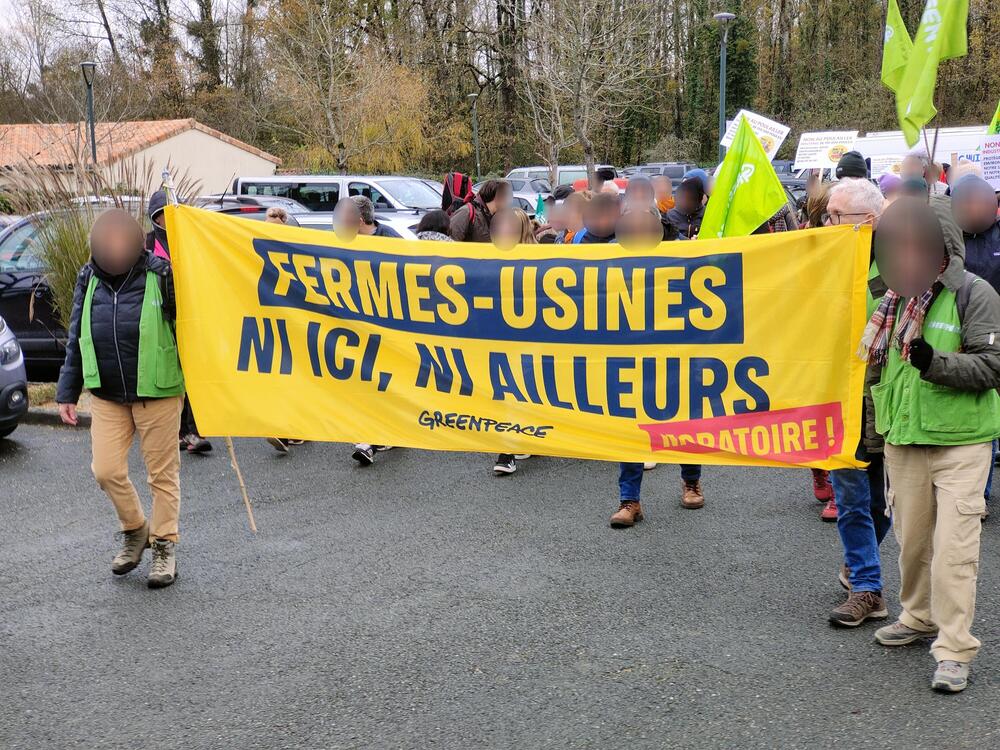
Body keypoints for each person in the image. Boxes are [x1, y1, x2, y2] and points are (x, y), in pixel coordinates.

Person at [862, 196, 1000, 693]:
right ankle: (918, 616)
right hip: (903, 440)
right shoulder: (890, 297)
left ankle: (954, 649)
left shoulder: (974, 294)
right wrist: (872, 434)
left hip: (961, 444)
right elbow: (875, 370)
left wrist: (933, 362)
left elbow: (993, 366)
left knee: (953, 552)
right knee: (913, 543)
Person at [56, 209, 184, 588]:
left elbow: (188, 327)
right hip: (108, 393)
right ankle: (135, 528)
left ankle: (164, 545)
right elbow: (78, 335)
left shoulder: (161, 274)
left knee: (162, 475)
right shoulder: (88, 277)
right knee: (105, 470)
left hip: (156, 390)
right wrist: (67, 391)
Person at [821, 178, 892, 626]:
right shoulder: (823, 263)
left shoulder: (899, 268)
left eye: (835, 216)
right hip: (839, 401)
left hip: (884, 403)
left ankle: (858, 564)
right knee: (851, 498)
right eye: (826, 214)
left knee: (883, 503)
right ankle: (868, 587)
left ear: (868, 221)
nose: (827, 223)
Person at [610, 207, 706, 525]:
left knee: (683, 420)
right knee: (629, 427)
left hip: (676, 352)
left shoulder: (681, 253)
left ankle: (691, 481)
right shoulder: (610, 256)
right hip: (630, 354)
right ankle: (629, 500)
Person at [144, 190, 211, 455]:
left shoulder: (188, 240)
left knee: (192, 374)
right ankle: (176, 432)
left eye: (172, 213)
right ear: (155, 217)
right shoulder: (147, 245)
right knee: (171, 376)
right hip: (159, 319)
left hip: (189, 316)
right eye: (163, 214)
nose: (168, 219)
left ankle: (194, 431)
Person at [490, 207, 537, 475]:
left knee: (516, 392)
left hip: (529, 339)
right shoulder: (488, 256)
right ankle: (517, 441)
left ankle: (508, 450)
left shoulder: (539, 259)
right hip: (500, 337)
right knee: (507, 392)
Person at [262, 207, 306, 454]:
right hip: (270, 324)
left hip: (295, 324)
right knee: (278, 375)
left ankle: (292, 428)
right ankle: (285, 428)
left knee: (293, 375)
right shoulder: (257, 251)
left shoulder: (296, 252)